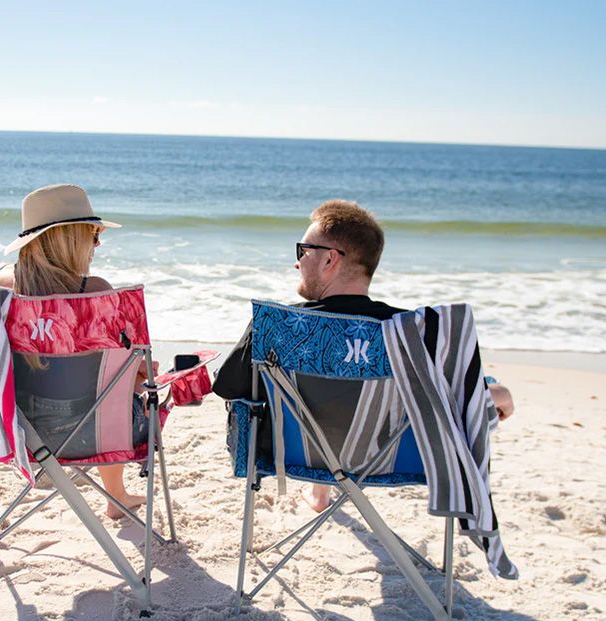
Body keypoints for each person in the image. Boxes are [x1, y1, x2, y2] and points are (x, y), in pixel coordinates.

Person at [213, 199, 514, 511]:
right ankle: (322, 491)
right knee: (351, 385)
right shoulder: (416, 336)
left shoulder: (278, 327)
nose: (298, 262)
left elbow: (227, 387)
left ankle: (322, 486)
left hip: (296, 454)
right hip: (391, 460)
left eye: (303, 251)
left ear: (330, 259)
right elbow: (462, 398)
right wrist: (497, 391)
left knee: (316, 389)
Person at [0, 183, 153, 520]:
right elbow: (132, 372)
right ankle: (116, 496)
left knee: (108, 390)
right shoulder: (96, 294)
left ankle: (117, 495)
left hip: (14, 432)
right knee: (118, 393)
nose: (98, 244)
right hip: (92, 437)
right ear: (69, 239)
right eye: (92, 235)